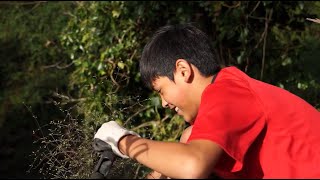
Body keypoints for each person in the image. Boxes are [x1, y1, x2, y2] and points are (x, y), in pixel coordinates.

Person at [94, 23, 320, 179]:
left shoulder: (227, 91)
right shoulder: (228, 96)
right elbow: (184, 159)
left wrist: (122, 141)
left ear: (183, 71)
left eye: (161, 90)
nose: (163, 103)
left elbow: (192, 166)